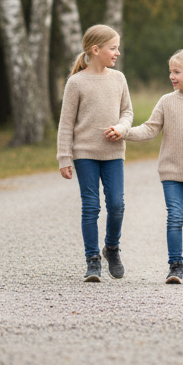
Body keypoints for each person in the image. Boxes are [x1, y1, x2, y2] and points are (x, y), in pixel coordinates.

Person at [113, 49, 183, 284]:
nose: (171, 76)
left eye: (176, 72)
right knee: (175, 217)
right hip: (170, 172)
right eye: (170, 71)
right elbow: (150, 128)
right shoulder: (166, 101)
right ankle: (175, 265)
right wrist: (123, 132)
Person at [57, 24, 133, 283]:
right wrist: (64, 157)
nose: (117, 53)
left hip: (114, 153)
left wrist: (121, 128)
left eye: (117, 48)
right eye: (113, 48)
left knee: (117, 205)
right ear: (95, 50)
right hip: (84, 154)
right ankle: (92, 260)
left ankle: (111, 248)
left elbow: (127, 112)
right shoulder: (76, 82)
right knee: (91, 206)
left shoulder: (119, 79)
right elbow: (66, 123)